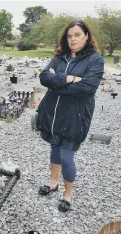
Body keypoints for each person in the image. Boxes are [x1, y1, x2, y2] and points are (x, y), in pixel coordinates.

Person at [36, 19, 104, 212]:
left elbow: (87, 88)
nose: (72, 39)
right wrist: (68, 79)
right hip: (54, 114)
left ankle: (68, 195)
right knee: (55, 150)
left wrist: (56, 83)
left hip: (76, 117)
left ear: (86, 36)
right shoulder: (60, 57)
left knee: (67, 157)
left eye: (77, 35)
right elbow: (43, 77)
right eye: (69, 36)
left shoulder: (95, 60)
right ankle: (52, 183)